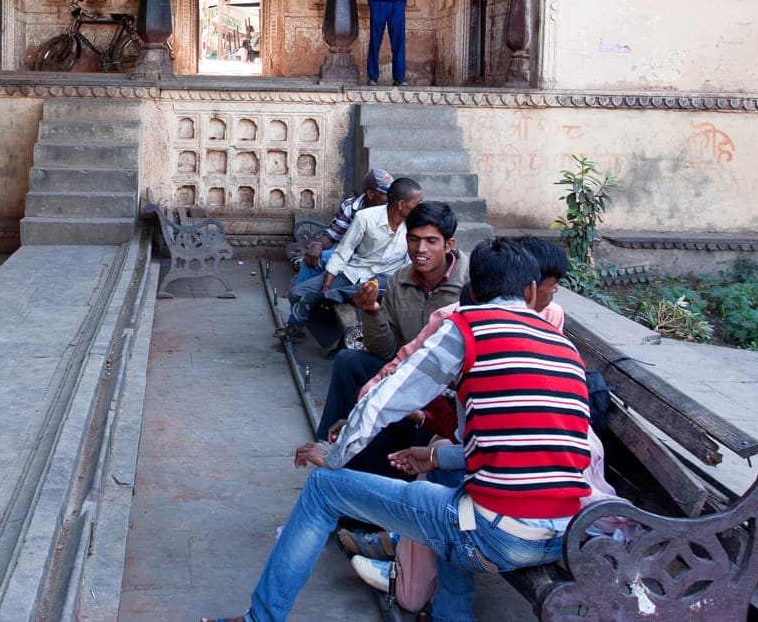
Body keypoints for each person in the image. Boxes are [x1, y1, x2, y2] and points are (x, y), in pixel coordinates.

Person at [202, 238, 591, 622]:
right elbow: (528, 445)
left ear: (474, 289)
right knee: (450, 477)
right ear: (528, 290)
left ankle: (261, 618)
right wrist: (436, 455)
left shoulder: (469, 328)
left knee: (324, 488)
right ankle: (451, 616)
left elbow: (390, 397)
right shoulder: (564, 348)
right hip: (564, 533)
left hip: (500, 536)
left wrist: (336, 455)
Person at [314, 201, 468, 476]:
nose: (420, 250)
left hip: (445, 387)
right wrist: (371, 311)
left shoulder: (468, 283)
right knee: (349, 361)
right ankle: (329, 443)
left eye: (431, 241)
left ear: (448, 244)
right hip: (403, 369)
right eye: (414, 239)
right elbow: (385, 350)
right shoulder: (399, 280)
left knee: (417, 415)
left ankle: (392, 470)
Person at [279, 177, 422, 351]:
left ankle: (326, 298)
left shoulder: (415, 225)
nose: (419, 206)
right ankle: (332, 333)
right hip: (354, 272)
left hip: (386, 280)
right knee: (296, 293)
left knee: (377, 286)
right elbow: (344, 250)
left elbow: (409, 264)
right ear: (400, 204)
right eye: (416, 202)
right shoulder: (366, 217)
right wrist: (327, 281)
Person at [286, 168, 394, 287]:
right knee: (313, 260)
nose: (391, 197)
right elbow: (332, 235)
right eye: (386, 194)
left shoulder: (392, 210)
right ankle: (300, 296)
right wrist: (317, 245)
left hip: (377, 259)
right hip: (349, 255)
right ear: (370, 194)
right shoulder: (350, 207)